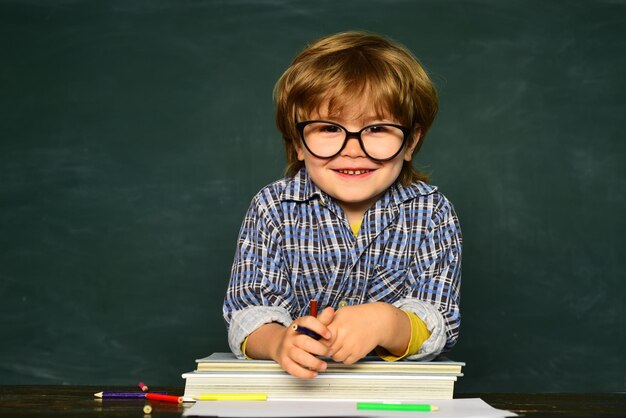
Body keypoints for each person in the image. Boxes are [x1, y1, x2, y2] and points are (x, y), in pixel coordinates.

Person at [223, 31, 462, 379]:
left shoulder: (432, 213)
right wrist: (278, 343)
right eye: (329, 129)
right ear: (298, 142)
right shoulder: (272, 208)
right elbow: (249, 310)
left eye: (377, 128)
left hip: (392, 398)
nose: (353, 149)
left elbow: (437, 320)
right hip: (292, 395)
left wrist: (387, 321)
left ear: (411, 141)